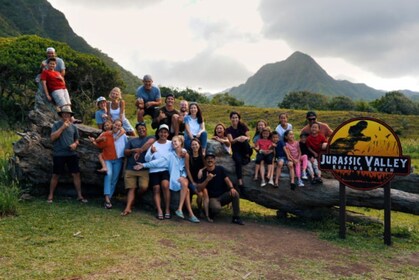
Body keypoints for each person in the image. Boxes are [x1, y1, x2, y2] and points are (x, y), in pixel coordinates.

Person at [135, 136, 200, 223]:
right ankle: (184, 211)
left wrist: (183, 176)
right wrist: (144, 165)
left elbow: (186, 169)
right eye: (172, 142)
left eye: (176, 141)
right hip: (174, 179)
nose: (173, 143)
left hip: (182, 178)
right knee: (186, 187)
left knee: (186, 188)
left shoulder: (185, 154)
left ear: (181, 142)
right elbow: (158, 162)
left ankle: (188, 213)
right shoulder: (169, 155)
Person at [47, 107, 87, 203]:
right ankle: (50, 195)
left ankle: (79, 195)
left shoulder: (73, 127)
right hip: (59, 154)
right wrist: (62, 127)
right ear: (61, 115)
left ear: (70, 116)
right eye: (64, 114)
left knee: (76, 174)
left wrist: (75, 144)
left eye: (68, 114)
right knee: (56, 174)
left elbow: (77, 139)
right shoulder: (56, 125)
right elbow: (52, 138)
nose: (66, 116)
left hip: (71, 154)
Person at [197, 151, 244, 225]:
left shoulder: (220, 169)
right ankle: (210, 212)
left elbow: (227, 180)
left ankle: (236, 217)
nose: (210, 160)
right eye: (208, 159)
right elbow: (199, 188)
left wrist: (231, 188)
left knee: (235, 194)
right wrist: (207, 180)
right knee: (216, 208)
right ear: (205, 161)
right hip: (212, 198)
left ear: (214, 160)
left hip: (223, 195)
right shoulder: (203, 173)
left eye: (212, 158)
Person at [121, 121, 155, 216]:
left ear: (146, 129)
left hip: (143, 169)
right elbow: (125, 152)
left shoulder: (151, 137)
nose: (141, 130)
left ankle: (134, 198)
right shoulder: (132, 140)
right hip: (131, 168)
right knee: (131, 188)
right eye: (139, 129)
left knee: (143, 187)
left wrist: (140, 151)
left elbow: (150, 143)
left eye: (143, 128)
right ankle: (128, 208)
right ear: (136, 130)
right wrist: (133, 150)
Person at [144, 124, 172, 219]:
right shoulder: (154, 144)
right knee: (156, 188)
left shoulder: (170, 144)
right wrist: (151, 152)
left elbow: (178, 150)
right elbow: (147, 159)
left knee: (165, 185)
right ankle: (159, 210)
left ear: (168, 134)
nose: (163, 134)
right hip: (154, 170)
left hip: (165, 170)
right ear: (158, 133)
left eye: (165, 132)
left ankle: (167, 209)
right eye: (161, 132)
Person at [40, 57, 81, 123]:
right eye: (50, 64)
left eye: (53, 64)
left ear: (55, 65)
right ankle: (68, 120)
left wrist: (61, 78)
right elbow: (44, 83)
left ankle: (72, 119)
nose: (52, 65)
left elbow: (63, 82)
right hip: (56, 90)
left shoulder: (58, 73)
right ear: (48, 64)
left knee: (68, 104)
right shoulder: (45, 72)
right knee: (63, 105)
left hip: (64, 89)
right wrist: (47, 94)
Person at [226, 111, 252, 195]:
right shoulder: (228, 129)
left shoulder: (243, 126)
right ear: (230, 119)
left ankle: (247, 156)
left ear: (239, 118)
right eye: (233, 117)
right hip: (236, 150)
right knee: (238, 161)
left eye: (236, 117)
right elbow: (231, 141)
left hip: (246, 149)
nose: (235, 119)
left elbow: (249, 138)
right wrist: (237, 138)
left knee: (244, 142)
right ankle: (240, 182)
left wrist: (244, 138)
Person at [185, 138, 209, 221]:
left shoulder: (202, 155)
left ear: (199, 145)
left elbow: (207, 165)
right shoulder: (188, 155)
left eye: (196, 144)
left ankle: (200, 209)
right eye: (193, 145)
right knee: (199, 194)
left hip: (199, 180)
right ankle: (195, 210)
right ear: (190, 146)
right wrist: (192, 182)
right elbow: (187, 169)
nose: (194, 146)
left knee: (202, 194)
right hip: (191, 180)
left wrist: (201, 170)